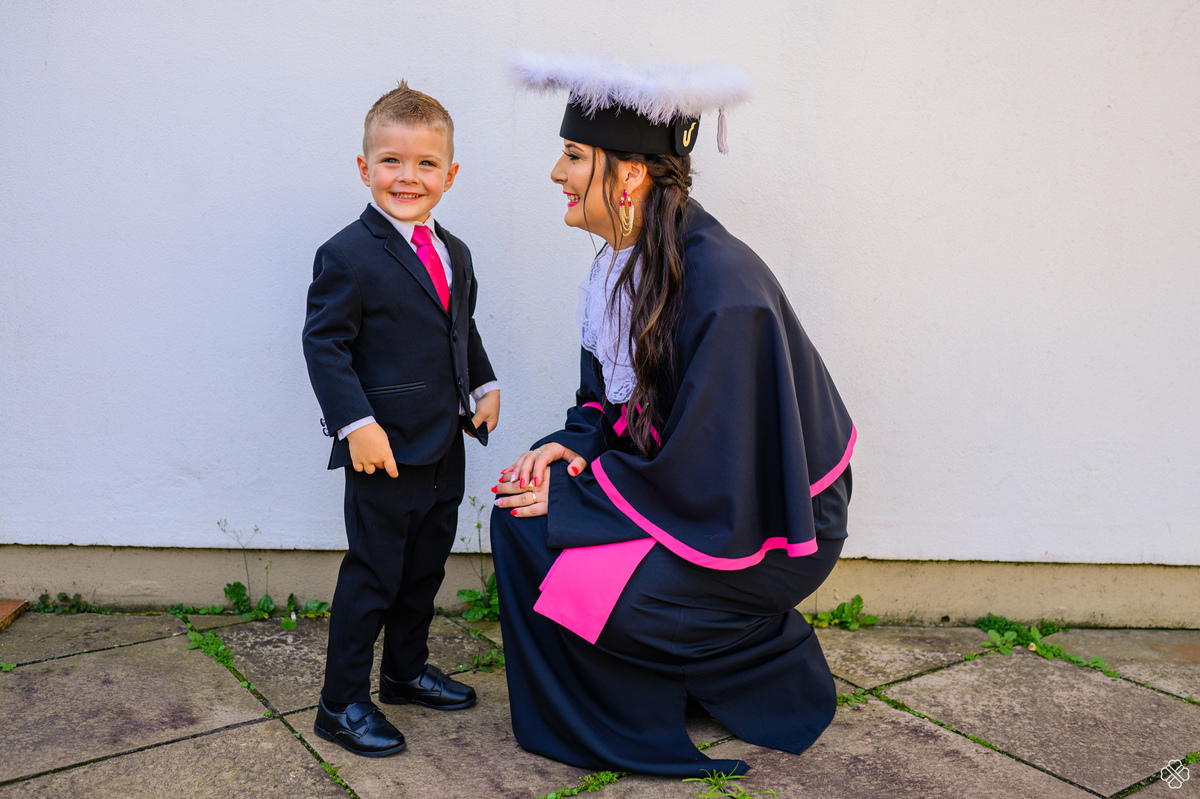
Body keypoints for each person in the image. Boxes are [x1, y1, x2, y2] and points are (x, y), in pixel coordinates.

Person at [490, 54, 856, 778]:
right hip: (684, 493)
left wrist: (579, 497)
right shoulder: (617, 265)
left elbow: (708, 468)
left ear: (626, 176)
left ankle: (757, 653)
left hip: (770, 527)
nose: (556, 174)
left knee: (595, 585)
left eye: (571, 156)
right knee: (518, 520)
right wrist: (568, 450)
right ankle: (620, 698)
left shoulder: (726, 289)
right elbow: (604, 404)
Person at [302, 81, 499, 758]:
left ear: (449, 173)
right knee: (374, 575)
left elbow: (459, 328)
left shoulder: (456, 251)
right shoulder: (347, 255)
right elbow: (324, 343)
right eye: (391, 161)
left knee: (424, 569)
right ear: (364, 168)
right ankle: (340, 703)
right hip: (381, 451)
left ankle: (405, 670)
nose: (407, 177)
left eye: (424, 164)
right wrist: (355, 422)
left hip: (446, 444)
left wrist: (485, 380)